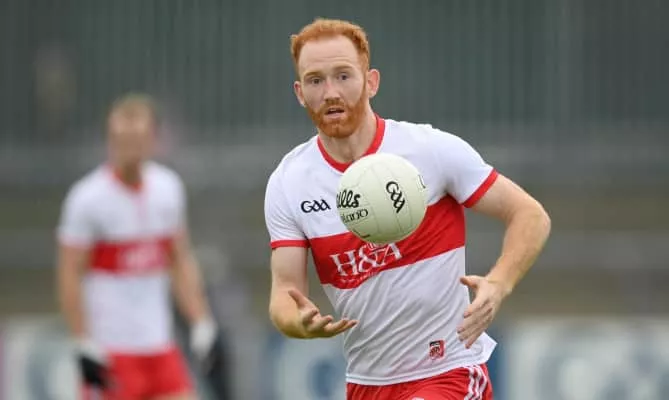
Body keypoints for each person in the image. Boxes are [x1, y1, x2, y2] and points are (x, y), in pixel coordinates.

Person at [264, 18, 551, 400]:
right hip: (366, 383)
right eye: (315, 80)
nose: (330, 92)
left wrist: (498, 284)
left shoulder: (429, 150)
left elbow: (530, 215)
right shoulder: (289, 182)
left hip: (449, 371)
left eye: (343, 76)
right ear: (300, 93)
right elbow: (285, 292)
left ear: (371, 82)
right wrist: (297, 323)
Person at [56, 94, 220, 400]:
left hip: (160, 346)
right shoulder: (86, 199)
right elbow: (69, 273)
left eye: (137, 138)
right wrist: (81, 340)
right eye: (121, 138)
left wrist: (201, 320)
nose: (129, 146)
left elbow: (179, 259)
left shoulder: (168, 188)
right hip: (112, 352)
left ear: (154, 139)